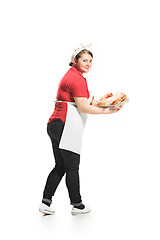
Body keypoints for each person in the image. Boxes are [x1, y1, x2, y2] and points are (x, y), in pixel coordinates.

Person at [39, 44, 123, 215]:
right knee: (71, 167)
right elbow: (83, 108)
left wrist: (103, 104)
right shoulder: (77, 79)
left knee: (60, 166)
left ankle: (45, 203)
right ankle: (77, 205)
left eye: (90, 61)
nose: (88, 64)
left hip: (54, 124)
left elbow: (81, 104)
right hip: (65, 125)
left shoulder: (72, 75)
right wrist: (109, 111)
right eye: (84, 60)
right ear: (74, 60)